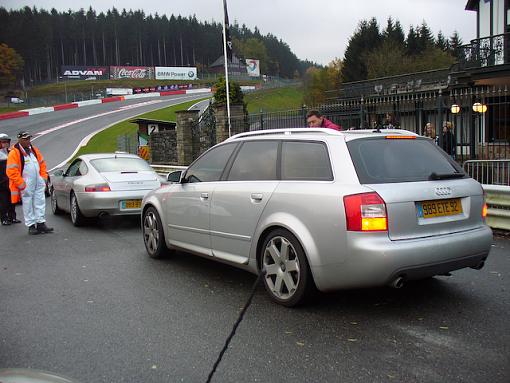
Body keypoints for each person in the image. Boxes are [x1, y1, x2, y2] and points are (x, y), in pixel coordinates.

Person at [6, 131, 53, 235]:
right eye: (25, 139)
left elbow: (42, 164)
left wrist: (43, 178)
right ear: (19, 140)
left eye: (29, 138)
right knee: (28, 204)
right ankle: (31, 225)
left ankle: (41, 223)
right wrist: (21, 184)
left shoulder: (34, 150)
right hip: (26, 183)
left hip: (38, 182)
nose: (28, 141)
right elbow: (11, 171)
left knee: (40, 202)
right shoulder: (14, 152)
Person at [0, 133, 20, 225]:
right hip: (1, 183)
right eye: (3, 142)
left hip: (11, 181)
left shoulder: (10, 152)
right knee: (3, 202)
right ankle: (4, 218)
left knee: (12, 201)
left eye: (7, 141)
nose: (6, 143)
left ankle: (12, 217)